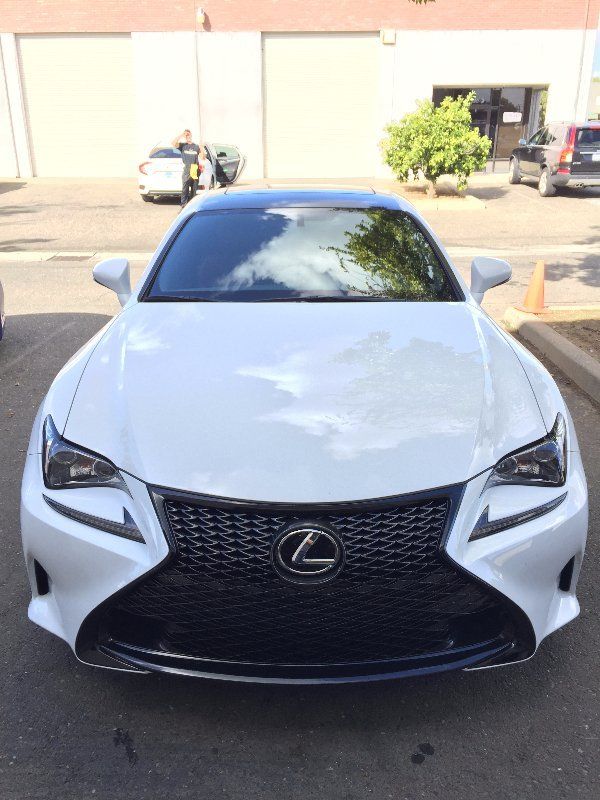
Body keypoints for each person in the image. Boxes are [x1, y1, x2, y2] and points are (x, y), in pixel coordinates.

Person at [171, 129, 201, 208]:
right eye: (186, 135)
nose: (188, 136)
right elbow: (173, 143)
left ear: (191, 135)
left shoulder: (196, 146)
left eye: (189, 135)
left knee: (194, 189)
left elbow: (202, 156)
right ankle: (183, 204)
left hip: (194, 168)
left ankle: (193, 205)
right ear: (185, 137)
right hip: (187, 169)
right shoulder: (183, 146)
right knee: (185, 188)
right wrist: (181, 134)